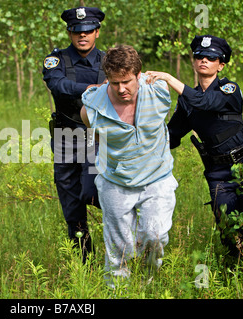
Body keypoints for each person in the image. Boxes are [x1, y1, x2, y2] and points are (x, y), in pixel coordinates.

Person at [146, 35, 243, 259]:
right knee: (228, 230)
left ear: (220, 65)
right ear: (194, 62)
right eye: (199, 56)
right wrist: (140, 128)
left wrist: (167, 78)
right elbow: (171, 136)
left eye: (211, 57)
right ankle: (235, 274)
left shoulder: (229, 89)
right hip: (218, 173)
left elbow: (205, 102)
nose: (204, 60)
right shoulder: (186, 101)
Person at [80, 45, 178, 283]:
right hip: (116, 181)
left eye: (126, 81)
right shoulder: (91, 108)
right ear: (107, 80)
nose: (121, 89)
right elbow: (96, 140)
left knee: (155, 236)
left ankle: (148, 283)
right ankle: (117, 290)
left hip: (157, 177)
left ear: (139, 75)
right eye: (114, 83)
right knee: (119, 248)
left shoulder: (159, 91)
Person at [42, 7, 106, 262]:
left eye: (88, 31)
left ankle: (127, 229)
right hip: (65, 139)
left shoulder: (107, 60)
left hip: (95, 138)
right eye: (77, 31)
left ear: (97, 32)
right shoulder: (56, 61)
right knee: (72, 209)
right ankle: (85, 263)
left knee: (92, 192)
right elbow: (58, 86)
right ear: (69, 33)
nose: (82, 35)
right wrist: (92, 88)